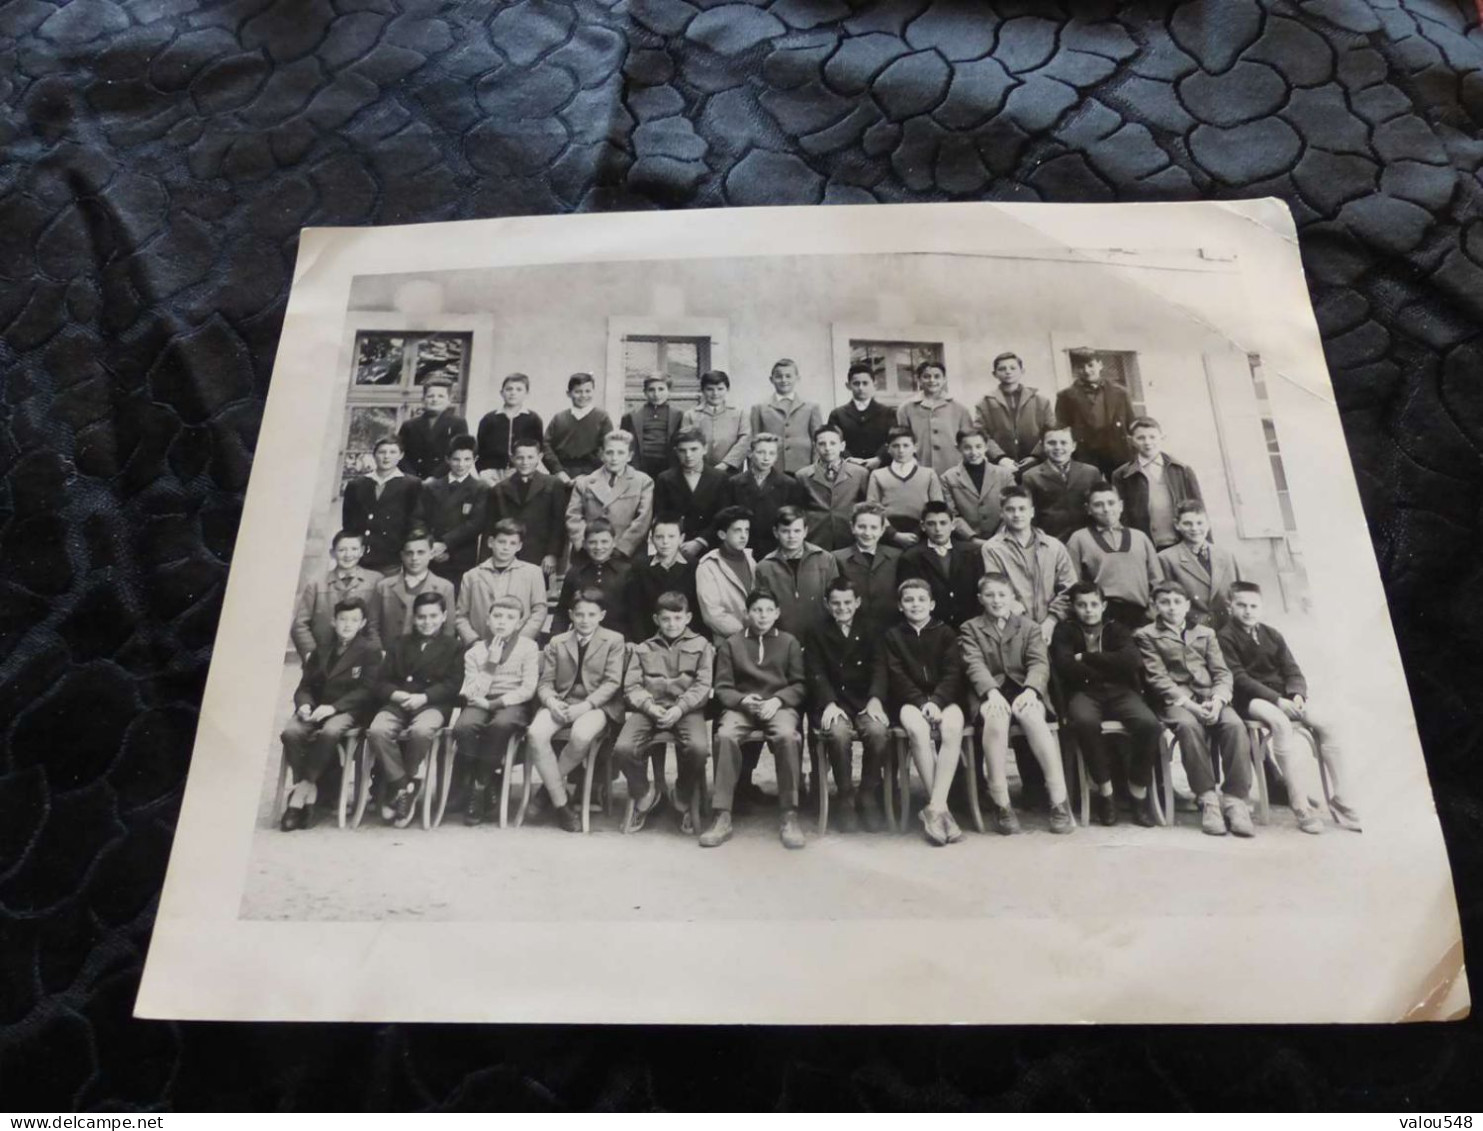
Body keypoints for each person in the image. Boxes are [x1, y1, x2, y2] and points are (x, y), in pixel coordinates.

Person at [1218, 581, 1360, 833]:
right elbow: (1240, 678)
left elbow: (1292, 670)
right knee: (1281, 724)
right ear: (1230, 606)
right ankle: (1299, 804)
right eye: (1241, 605)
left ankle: (1341, 798)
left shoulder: (1272, 634)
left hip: (1284, 697)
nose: (1248, 611)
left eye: (1253, 606)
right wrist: (1277, 700)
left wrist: (1296, 695)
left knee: (1327, 724)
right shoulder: (1225, 637)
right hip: (1251, 699)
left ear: (1261, 608)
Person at [1135, 581, 1255, 838]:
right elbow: (1158, 679)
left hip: (1210, 697)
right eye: (1164, 603)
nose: (1171, 608)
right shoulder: (1146, 635)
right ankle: (1208, 799)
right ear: (1155, 606)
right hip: (1175, 702)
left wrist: (1219, 700)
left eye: (1177, 602)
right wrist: (1190, 705)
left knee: (1235, 726)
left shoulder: (1205, 633)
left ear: (1188, 605)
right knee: (1189, 727)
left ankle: (1235, 801)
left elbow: (1222, 672)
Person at [960, 572, 1075, 836]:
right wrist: (990, 692)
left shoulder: (1029, 627)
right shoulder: (971, 628)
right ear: (980, 599)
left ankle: (1058, 800)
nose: (996, 600)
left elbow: (1038, 662)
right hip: (990, 692)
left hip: (1024, 689)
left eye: (1002, 594)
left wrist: (1032, 690)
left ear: (1013, 597)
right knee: (996, 721)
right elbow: (974, 663)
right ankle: (1002, 803)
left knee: (1034, 718)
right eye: (989, 595)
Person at [700, 589, 809, 850]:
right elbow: (723, 686)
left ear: (777, 613)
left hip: (777, 706)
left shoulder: (789, 642)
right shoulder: (732, 644)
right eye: (757, 610)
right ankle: (722, 814)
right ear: (746, 613)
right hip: (742, 708)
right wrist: (742, 701)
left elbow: (799, 684)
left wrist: (778, 700)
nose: (762, 616)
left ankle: (789, 813)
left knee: (787, 736)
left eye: (768, 610)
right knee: (725, 736)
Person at [1050, 581, 1165, 828]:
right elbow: (1065, 666)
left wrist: (1088, 658)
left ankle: (1138, 794)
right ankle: (1106, 793)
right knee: (1084, 722)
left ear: (1103, 606)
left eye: (1093, 604)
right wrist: (1106, 668)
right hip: (1084, 693)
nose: (1088, 610)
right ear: (1073, 607)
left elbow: (1131, 661)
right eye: (1081, 605)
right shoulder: (1064, 631)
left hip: (1120, 692)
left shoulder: (1117, 629)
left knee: (1149, 725)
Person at [525, 588, 627, 833]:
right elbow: (546, 683)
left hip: (596, 704)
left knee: (581, 735)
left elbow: (612, 683)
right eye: (579, 614)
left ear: (601, 615)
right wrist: (550, 702)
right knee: (535, 734)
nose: (585, 620)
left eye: (591, 614)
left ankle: (546, 791)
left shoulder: (614, 640)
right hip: (562, 700)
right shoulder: (557, 642)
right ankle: (561, 804)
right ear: (570, 614)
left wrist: (585, 706)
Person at [613, 592, 716, 835]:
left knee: (699, 749)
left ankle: (681, 794)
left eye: (678, 618)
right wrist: (649, 706)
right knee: (623, 748)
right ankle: (645, 793)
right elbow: (632, 686)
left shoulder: (702, 646)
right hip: (650, 708)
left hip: (687, 710)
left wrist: (680, 707)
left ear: (688, 617)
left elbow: (703, 685)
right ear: (656, 619)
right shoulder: (643, 648)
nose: (672, 624)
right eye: (666, 619)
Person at [278, 598, 380, 830]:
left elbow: (368, 690)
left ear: (362, 623)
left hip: (349, 710)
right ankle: (311, 788)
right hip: (316, 708)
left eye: (354, 620)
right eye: (343, 619)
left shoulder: (369, 650)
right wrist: (304, 705)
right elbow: (305, 686)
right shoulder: (322, 648)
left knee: (330, 731)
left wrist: (334, 708)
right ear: (334, 622)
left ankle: (299, 795)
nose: (347, 625)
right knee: (291, 732)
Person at [366, 591, 463, 827]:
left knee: (422, 731)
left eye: (433, 616)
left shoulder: (454, 647)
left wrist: (424, 696)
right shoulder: (400, 644)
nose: (427, 622)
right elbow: (380, 681)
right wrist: (396, 694)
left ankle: (406, 781)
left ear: (444, 616)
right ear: (414, 618)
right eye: (421, 617)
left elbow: (453, 684)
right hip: (399, 703)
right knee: (377, 730)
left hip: (432, 704)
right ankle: (404, 786)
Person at [882, 578, 967, 846]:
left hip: (945, 699)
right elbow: (897, 676)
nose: (915, 604)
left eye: (921, 599)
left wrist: (938, 701)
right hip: (909, 701)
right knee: (917, 730)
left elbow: (953, 673)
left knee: (953, 727)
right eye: (908, 600)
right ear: (899, 605)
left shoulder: (946, 633)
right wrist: (921, 702)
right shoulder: (893, 636)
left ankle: (934, 808)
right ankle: (942, 811)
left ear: (931, 603)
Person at [805, 577, 892, 833]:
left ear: (857, 602)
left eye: (847, 602)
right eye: (835, 603)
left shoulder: (872, 628)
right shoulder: (816, 631)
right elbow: (815, 670)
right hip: (832, 700)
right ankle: (845, 796)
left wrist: (876, 699)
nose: (841, 608)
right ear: (826, 604)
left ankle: (867, 793)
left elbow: (879, 667)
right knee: (838, 734)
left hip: (864, 700)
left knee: (877, 733)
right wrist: (829, 703)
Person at [452, 597, 540, 826]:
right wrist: (490, 665)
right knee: (463, 727)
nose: (503, 622)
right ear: (488, 620)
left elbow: (528, 688)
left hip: (513, 703)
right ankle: (488, 781)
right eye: (497, 616)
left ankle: (479, 787)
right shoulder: (475, 652)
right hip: (480, 700)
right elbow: (471, 691)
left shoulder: (528, 648)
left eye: (510, 618)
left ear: (519, 623)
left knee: (500, 725)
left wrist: (495, 704)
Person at [980, 486, 1076, 642]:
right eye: (1010, 509)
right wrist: (1030, 627)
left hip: (1053, 626)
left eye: (1022, 509)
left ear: (1032, 512)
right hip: (1013, 627)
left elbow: (1069, 588)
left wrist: (1051, 621)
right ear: (1001, 513)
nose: (1017, 514)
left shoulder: (1054, 546)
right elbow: (996, 590)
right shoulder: (992, 548)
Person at [1064, 483, 1161, 628]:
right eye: (1098, 504)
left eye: (1111, 503)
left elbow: (1157, 580)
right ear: (1088, 509)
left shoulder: (1140, 537)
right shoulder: (1079, 538)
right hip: (1102, 615)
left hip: (1141, 614)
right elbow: (1072, 584)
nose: (1106, 509)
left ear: (1121, 506)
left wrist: (1153, 613)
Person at [1111, 416, 1203, 551]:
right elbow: (1122, 516)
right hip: (1146, 547)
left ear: (1162, 437)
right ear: (1131, 441)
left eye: (1152, 437)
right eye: (1141, 438)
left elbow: (1199, 509)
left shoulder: (1182, 470)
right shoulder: (1122, 475)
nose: (1148, 442)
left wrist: (1205, 545)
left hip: (1183, 543)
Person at [290, 530, 382, 662]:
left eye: (354, 549)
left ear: (362, 551)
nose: (348, 555)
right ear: (332, 553)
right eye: (342, 550)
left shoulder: (376, 581)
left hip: (362, 659)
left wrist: (375, 655)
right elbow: (300, 625)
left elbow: (380, 624)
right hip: (324, 658)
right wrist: (311, 655)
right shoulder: (316, 584)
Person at [564, 429, 655, 561]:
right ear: (602, 455)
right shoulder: (585, 482)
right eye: (609, 452)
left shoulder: (642, 482)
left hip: (627, 554)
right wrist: (589, 545)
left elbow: (643, 521)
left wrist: (621, 548)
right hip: (590, 552)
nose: (614, 458)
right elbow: (573, 517)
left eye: (620, 453)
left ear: (629, 456)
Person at [454, 519, 547, 644]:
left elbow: (539, 610)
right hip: (481, 646)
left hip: (519, 647)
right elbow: (461, 616)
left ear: (519, 546)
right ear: (491, 542)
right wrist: (473, 641)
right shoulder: (472, 576)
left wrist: (520, 641)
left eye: (512, 543)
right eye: (502, 542)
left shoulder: (533, 573)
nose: (506, 548)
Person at [754, 505, 839, 641]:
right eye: (785, 531)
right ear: (776, 532)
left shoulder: (825, 559)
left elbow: (835, 601)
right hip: (781, 640)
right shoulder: (764, 567)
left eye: (797, 530)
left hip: (821, 639)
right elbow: (762, 608)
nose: (791, 536)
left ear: (805, 531)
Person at [417, 434, 489, 588]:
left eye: (467, 459)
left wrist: (445, 543)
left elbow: (476, 523)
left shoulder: (481, 488)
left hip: (461, 556)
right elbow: (419, 518)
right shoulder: (431, 487)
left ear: (474, 460)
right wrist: (431, 545)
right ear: (447, 459)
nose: (461, 464)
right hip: (431, 554)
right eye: (456, 459)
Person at [342, 435, 422, 572]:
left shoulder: (411, 484)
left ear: (401, 455)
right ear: (374, 455)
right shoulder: (357, 484)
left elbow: (416, 520)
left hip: (391, 558)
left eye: (392, 452)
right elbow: (348, 522)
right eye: (382, 452)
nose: (386, 457)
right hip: (359, 557)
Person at [487, 437, 565, 577]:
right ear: (512, 458)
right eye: (520, 458)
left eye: (530, 457)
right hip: (508, 555)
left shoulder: (553, 485)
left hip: (540, 557)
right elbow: (491, 527)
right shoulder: (500, 489)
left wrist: (552, 554)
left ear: (539, 457)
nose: (525, 462)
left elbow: (558, 523)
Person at [1157, 500, 1242, 628]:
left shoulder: (1226, 556)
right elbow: (1165, 601)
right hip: (1192, 629)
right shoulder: (1166, 558)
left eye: (1200, 523)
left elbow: (1240, 595)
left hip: (1228, 628)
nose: (1195, 528)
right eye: (1187, 523)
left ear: (1208, 524)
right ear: (1177, 525)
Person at [899, 501, 984, 628]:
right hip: (932, 628)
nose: (938, 529)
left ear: (953, 525)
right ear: (922, 526)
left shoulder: (971, 552)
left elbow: (980, 589)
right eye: (931, 524)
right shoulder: (912, 557)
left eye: (943, 523)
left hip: (969, 625)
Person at [368, 528, 457, 645]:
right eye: (409, 553)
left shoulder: (445, 587)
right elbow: (372, 626)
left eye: (421, 552)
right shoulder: (384, 586)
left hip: (427, 659)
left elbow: (448, 630)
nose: (414, 558)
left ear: (431, 554)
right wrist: (379, 653)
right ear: (402, 555)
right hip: (388, 656)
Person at [1054, 348, 1133, 479]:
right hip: (1084, 453)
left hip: (1117, 452)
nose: (1086, 370)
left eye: (1091, 365)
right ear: (1075, 369)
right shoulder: (1066, 396)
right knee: (1087, 490)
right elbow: (1062, 428)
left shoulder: (1120, 393)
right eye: (1081, 367)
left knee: (1121, 489)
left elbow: (1131, 423)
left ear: (1100, 365)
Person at [653, 428, 731, 561]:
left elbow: (723, 516)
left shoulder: (720, 478)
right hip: (677, 547)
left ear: (704, 449)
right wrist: (675, 542)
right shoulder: (665, 479)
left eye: (694, 449)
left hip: (711, 546)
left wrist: (700, 541)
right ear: (676, 451)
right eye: (682, 450)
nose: (688, 455)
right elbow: (662, 516)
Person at [973, 351, 1055, 473]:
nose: (1008, 371)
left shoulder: (1041, 401)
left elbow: (1050, 431)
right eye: (1002, 369)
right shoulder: (985, 403)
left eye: (1013, 368)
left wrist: (1036, 456)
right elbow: (981, 434)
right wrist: (1000, 458)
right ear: (994, 374)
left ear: (1022, 371)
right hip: (1001, 468)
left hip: (1038, 466)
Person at [551, 520, 633, 639]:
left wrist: (634, 643)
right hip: (583, 637)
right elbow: (562, 611)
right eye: (592, 542)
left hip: (618, 639)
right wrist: (556, 638)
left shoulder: (626, 572)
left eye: (604, 542)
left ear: (614, 542)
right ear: (584, 544)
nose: (598, 547)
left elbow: (635, 613)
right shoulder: (575, 573)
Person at [794, 424, 869, 550]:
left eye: (833, 443)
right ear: (815, 446)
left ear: (842, 446)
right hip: (816, 539)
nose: (827, 448)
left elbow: (866, 507)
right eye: (822, 444)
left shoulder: (860, 473)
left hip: (850, 538)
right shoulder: (803, 475)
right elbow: (799, 510)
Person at [728, 433, 801, 560]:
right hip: (743, 547)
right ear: (750, 453)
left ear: (776, 456)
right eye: (761, 452)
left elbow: (791, 521)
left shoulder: (788, 484)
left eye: (772, 453)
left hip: (776, 549)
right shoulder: (734, 483)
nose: (766, 458)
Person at [1020, 426, 1101, 542]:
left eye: (1064, 442)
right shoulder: (1031, 476)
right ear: (1042, 446)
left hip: (1088, 539)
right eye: (1051, 443)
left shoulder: (1091, 472)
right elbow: (1030, 515)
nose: (1058, 447)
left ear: (1073, 446)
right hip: (1050, 540)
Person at [894, 360, 974, 478]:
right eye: (926, 377)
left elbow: (968, 440)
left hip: (953, 467)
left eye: (937, 376)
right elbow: (902, 440)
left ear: (944, 379)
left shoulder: (960, 408)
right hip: (919, 465)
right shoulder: (906, 408)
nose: (932, 380)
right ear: (919, 379)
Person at [867, 427, 945, 547]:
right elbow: (873, 508)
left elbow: (937, 507)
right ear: (888, 449)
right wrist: (894, 534)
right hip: (888, 534)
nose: (901, 450)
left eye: (906, 445)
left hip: (922, 533)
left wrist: (918, 532)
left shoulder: (928, 474)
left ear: (915, 447)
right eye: (896, 446)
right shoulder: (878, 475)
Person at [831, 502, 901, 635]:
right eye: (862, 527)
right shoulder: (837, 558)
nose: (868, 533)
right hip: (853, 631)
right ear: (852, 527)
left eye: (874, 527)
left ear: (882, 530)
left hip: (889, 630)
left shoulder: (896, 556)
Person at [749, 358, 823, 475]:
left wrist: (815, 468)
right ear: (771, 379)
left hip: (803, 468)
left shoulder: (811, 406)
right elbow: (754, 442)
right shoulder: (759, 408)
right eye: (779, 376)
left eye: (788, 376)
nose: (784, 380)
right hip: (771, 468)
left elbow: (818, 440)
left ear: (797, 378)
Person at [941, 428, 1014, 545]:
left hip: (1003, 539)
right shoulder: (948, 478)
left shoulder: (1004, 475)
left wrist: (999, 536)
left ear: (986, 447)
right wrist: (973, 539)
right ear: (958, 448)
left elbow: (1012, 508)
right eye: (967, 448)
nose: (974, 452)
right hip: (967, 542)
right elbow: (952, 515)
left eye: (978, 447)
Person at [626, 517, 699, 632]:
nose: (665, 542)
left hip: (686, 635)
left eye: (671, 537)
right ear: (652, 539)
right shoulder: (640, 567)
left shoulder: (694, 566)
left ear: (681, 539)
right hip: (649, 636)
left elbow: (697, 608)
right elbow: (634, 609)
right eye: (659, 537)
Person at [694, 506, 755, 642]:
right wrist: (747, 634)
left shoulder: (751, 560)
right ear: (722, 534)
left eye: (746, 530)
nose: (744, 536)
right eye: (737, 530)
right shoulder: (708, 566)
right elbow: (713, 615)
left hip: (757, 640)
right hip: (728, 643)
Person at [543, 372, 613, 484]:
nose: (583, 396)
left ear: (593, 392)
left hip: (592, 475)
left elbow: (608, 447)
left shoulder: (602, 417)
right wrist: (558, 471)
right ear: (568, 393)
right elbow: (546, 446)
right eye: (578, 392)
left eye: (587, 391)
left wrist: (589, 475)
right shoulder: (559, 418)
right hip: (561, 475)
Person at [475, 372, 543, 483]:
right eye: (509, 389)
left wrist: (529, 469)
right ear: (502, 393)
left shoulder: (533, 419)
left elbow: (538, 447)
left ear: (527, 394)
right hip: (491, 472)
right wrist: (482, 471)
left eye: (519, 389)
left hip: (520, 470)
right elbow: (481, 448)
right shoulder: (489, 419)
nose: (513, 393)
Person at [397, 376, 469, 480]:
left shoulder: (458, 424)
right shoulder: (409, 425)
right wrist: (412, 477)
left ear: (449, 400)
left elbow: (459, 453)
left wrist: (435, 477)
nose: (435, 400)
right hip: (412, 480)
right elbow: (400, 454)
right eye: (430, 396)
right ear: (423, 399)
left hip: (444, 479)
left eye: (441, 396)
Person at [826, 361, 895, 468]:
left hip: (881, 468)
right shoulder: (838, 414)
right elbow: (833, 441)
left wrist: (879, 459)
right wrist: (850, 460)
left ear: (874, 385)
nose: (861, 388)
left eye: (865, 383)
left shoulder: (888, 412)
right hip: (848, 469)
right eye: (856, 383)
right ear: (848, 386)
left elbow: (892, 440)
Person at [680, 369, 750, 474]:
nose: (715, 393)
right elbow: (686, 444)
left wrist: (726, 464)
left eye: (720, 389)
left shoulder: (740, 414)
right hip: (700, 472)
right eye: (710, 389)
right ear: (702, 390)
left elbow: (745, 442)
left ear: (727, 389)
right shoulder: (690, 415)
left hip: (730, 471)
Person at [622, 373, 683, 479]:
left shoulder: (678, 415)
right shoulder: (631, 416)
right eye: (651, 390)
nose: (656, 394)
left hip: (668, 467)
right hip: (640, 466)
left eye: (661, 389)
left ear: (669, 391)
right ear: (645, 392)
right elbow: (623, 444)